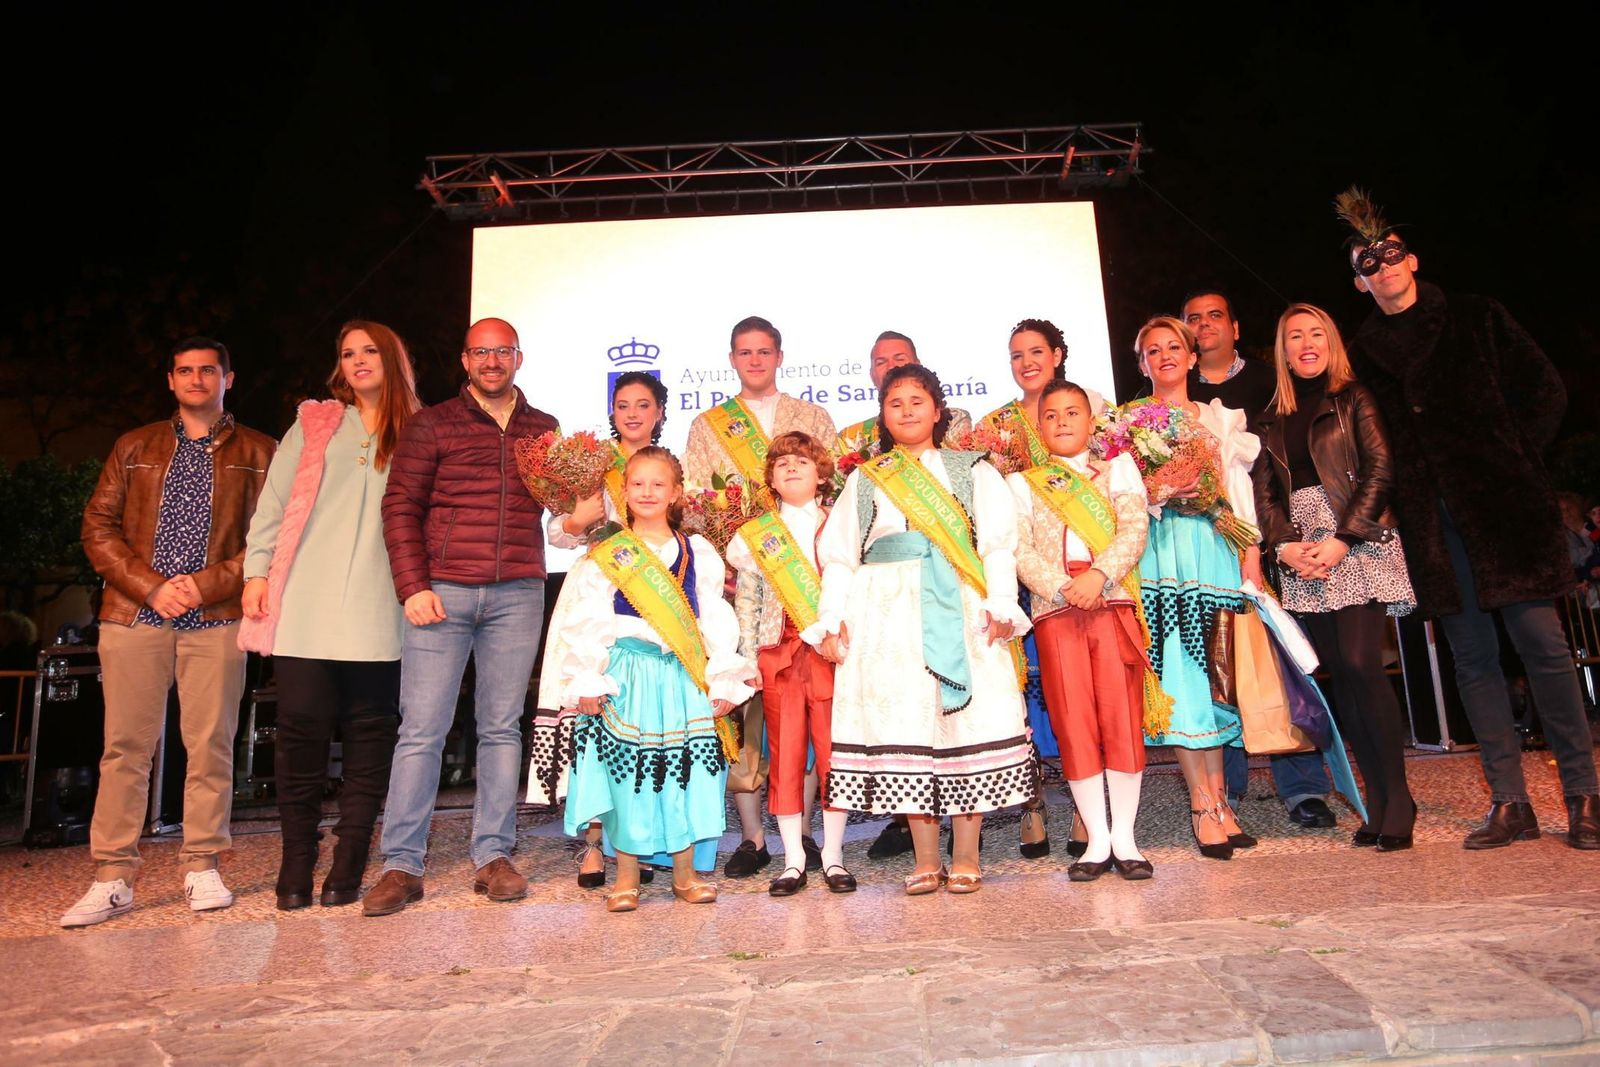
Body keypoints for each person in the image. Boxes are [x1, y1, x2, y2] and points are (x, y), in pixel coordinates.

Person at [1339, 189, 1599, 849]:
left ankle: (1583, 797)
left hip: (1506, 511)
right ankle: (1511, 802)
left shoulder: (1478, 317)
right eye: (1369, 262)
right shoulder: (1365, 352)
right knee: (1474, 658)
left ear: (1413, 260)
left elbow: (1547, 391)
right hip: (1433, 523)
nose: (1384, 265)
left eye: (1392, 253)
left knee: (1543, 643)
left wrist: (1514, 462)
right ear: (1359, 280)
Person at [63, 337, 275, 927]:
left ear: (229, 378)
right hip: (135, 615)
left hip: (217, 615)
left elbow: (272, 539)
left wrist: (205, 586)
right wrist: (151, 585)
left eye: (209, 369)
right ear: (170, 380)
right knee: (124, 748)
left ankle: (203, 865)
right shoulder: (134, 446)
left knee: (209, 744)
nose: (197, 378)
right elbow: (98, 527)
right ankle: (111, 877)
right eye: (186, 370)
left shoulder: (260, 451)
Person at [361, 317, 560, 916]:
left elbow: (563, 507)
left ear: (518, 359)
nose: (492, 362)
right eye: (481, 352)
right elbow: (399, 508)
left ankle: (494, 855)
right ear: (465, 360)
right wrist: (412, 586)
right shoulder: (432, 424)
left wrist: (581, 511)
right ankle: (401, 864)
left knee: (502, 727)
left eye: (502, 352)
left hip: (518, 592)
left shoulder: (543, 429)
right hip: (440, 594)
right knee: (421, 730)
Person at [816, 364, 1035, 894]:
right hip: (885, 611)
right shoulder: (866, 477)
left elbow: (997, 545)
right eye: (895, 403)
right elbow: (840, 556)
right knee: (906, 730)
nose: (908, 410)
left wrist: (1002, 602)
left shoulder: (972, 470)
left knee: (967, 723)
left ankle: (966, 855)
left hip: (959, 603)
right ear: (882, 417)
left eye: (918, 400)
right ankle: (924, 859)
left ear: (938, 411)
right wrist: (831, 618)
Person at [240, 321, 422, 909]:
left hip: (380, 607)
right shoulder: (316, 422)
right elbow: (273, 503)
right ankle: (296, 862)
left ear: (393, 359)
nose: (358, 362)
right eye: (347, 354)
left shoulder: (422, 429)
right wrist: (256, 573)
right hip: (306, 606)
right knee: (300, 734)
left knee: (371, 738)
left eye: (369, 351)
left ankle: (348, 862)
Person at [544, 447, 755, 911]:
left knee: (683, 774)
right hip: (627, 675)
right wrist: (588, 679)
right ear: (624, 491)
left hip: (681, 677)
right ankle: (626, 876)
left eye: (658, 484)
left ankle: (683, 874)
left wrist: (722, 679)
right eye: (637, 483)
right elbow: (590, 617)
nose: (646, 492)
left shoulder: (695, 550)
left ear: (676, 493)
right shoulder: (609, 552)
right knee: (630, 778)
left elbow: (715, 618)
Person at [1252, 303, 1419, 850]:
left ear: (1331, 341)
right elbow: (1266, 494)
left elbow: (1380, 468)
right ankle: (1375, 799)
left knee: (1360, 664)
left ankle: (1397, 797)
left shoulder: (1354, 398)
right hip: (1302, 551)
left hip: (1356, 540)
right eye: (1294, 335)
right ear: (1282, 349)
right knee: (1338, 677)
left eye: (1316, 333)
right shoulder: (1273, 416)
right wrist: (1284, 546)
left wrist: (1344, 538)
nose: (1306, 343)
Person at [682, 315, 838, 880]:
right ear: (731, 359)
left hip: (807, 593)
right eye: (744, 352)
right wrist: (724, 568)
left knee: (810, 718)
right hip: (737, 582)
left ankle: (808, 831)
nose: (755, 360)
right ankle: (753, 836)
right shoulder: (707, 425)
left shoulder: (813, 417)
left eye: (764, 351)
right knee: (748, 718)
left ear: (779, 355)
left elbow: (832, 488)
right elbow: (697, 504)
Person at [1182, 290, 1336, 830]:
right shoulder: (1175, 388)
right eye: (1193, 320)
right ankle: (1230, 785)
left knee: (1281, 661)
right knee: (1217, 663)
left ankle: (1305, 787)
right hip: (1208, 546)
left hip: (1274, 538)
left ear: (1235, 325)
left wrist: (1277, 537)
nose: (1204, 327)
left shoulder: (1272, 383)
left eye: (1214, 316)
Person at [1126, 316, 1264, 860]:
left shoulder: (1222, 418)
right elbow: (1123, 500)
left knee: (1218, 678)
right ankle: (1202, 805)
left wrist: (1250, 552)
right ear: (1142, 364)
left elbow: (1239, 492)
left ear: (1190, 355)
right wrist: (1158, 488)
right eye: (1151, 350)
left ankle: (1223, 801)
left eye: (1173, 347)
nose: (1164, 357)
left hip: (1216, 552)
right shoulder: (1130, 423)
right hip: (1162, 554)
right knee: (1181, 678)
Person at [1008, 379, 1156, 880]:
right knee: (1073, 723)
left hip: (1110, 601)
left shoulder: (1118, 470)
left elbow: (1134, 529)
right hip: (1057, 611)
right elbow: (1020, 550)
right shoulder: (1022, 483)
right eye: (1051, 415)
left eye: (1072, 412)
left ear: (1091, 421)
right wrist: (1060, 586)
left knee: (1120, 718)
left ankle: (1127, 840)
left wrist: (1098, 577)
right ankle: (1095, 841)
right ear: (1039, 426)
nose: (1062, 421)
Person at [977, 318, 1105, 859]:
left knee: (1085, 698)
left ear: (1058, 354)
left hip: (1080, 582)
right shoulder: (993, 427)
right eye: (1015, 355)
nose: (1026, 362)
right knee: (1022, 696)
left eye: (1036, 351)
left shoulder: (1090, 407)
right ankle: (1030, 807)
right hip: (1020, 577)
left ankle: (1086, 809)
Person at [540, 370, 668, 889]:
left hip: (653, 602)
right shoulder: (590, 465)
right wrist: (577, 520)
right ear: (611, 412)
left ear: (659, 411)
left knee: (648, 721)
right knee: (592, 718)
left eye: (643, 404)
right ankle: (592, 845)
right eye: (623, 405)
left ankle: (645, 840)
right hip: (593, 598)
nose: (632, 413)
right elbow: (557, 532)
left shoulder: (665, 467)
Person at [727, 431, 852, 895]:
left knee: (835, 757)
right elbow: (748, 602)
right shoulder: (757, 537)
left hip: (831, 657)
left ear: (822, 474)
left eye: (802, 460)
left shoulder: (839, 524)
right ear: (771, 481)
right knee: (784, 759)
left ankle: (835, 856)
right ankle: (793, 860)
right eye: (781, 464)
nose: (792, 468)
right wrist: (747, 659)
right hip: (778, 658)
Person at [835, 331, 973, 459]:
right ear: (872, 374)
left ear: (918, 365)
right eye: (881, 362)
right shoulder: (850, 437)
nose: (891, 367)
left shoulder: (955, 421)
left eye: (900, 359)